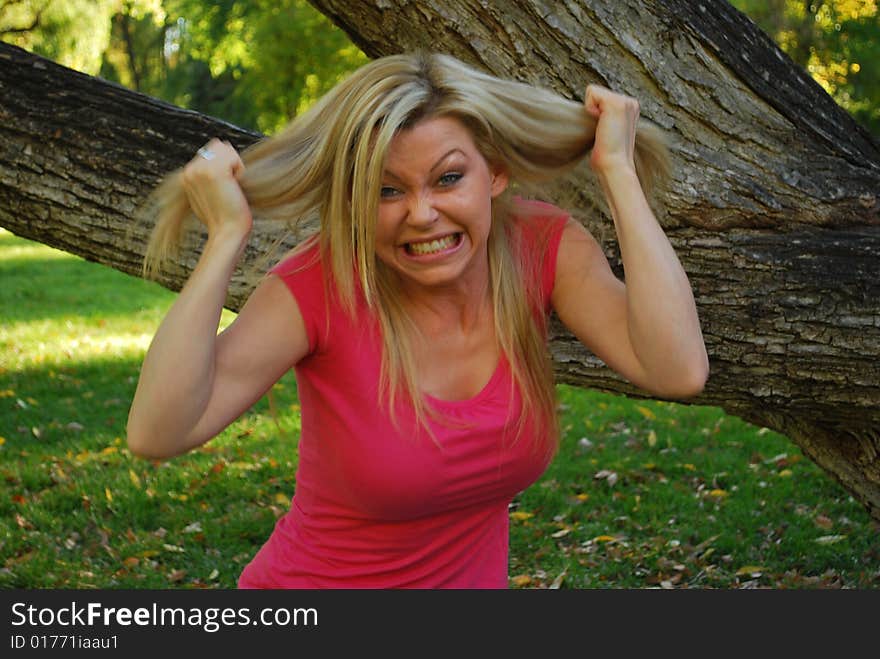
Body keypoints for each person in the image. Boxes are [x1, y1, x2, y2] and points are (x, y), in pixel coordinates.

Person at [127, 52, 708, 588]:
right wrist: (225, 236)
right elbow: (158, 433)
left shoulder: (541, 248)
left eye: (449, 178)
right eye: (386, 191)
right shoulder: (321, 287)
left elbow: (677, 369)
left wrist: (618, 171)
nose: (422, 214)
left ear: (496, 172)